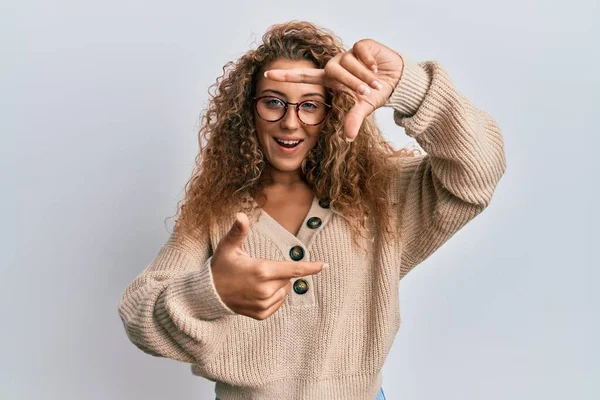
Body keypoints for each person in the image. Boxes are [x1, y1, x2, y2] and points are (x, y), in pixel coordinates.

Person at [117, 20, 507, 400]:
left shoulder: (382, 197)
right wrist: (209, 291)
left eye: (310, 105)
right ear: (246, 111)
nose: (291, 122)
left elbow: (479, 172)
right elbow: (139, 313)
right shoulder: (217, 213)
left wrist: (410, 86)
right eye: (273, 103)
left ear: (332, 112)